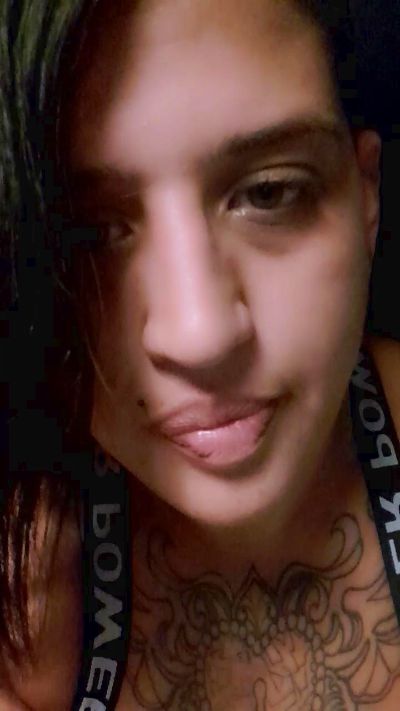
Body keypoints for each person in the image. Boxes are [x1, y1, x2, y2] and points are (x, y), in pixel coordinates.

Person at [1, 0, 400, 709]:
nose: (200, 336)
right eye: (91, 234)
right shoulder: (26, 593)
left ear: (367, 194)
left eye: (269, 193)